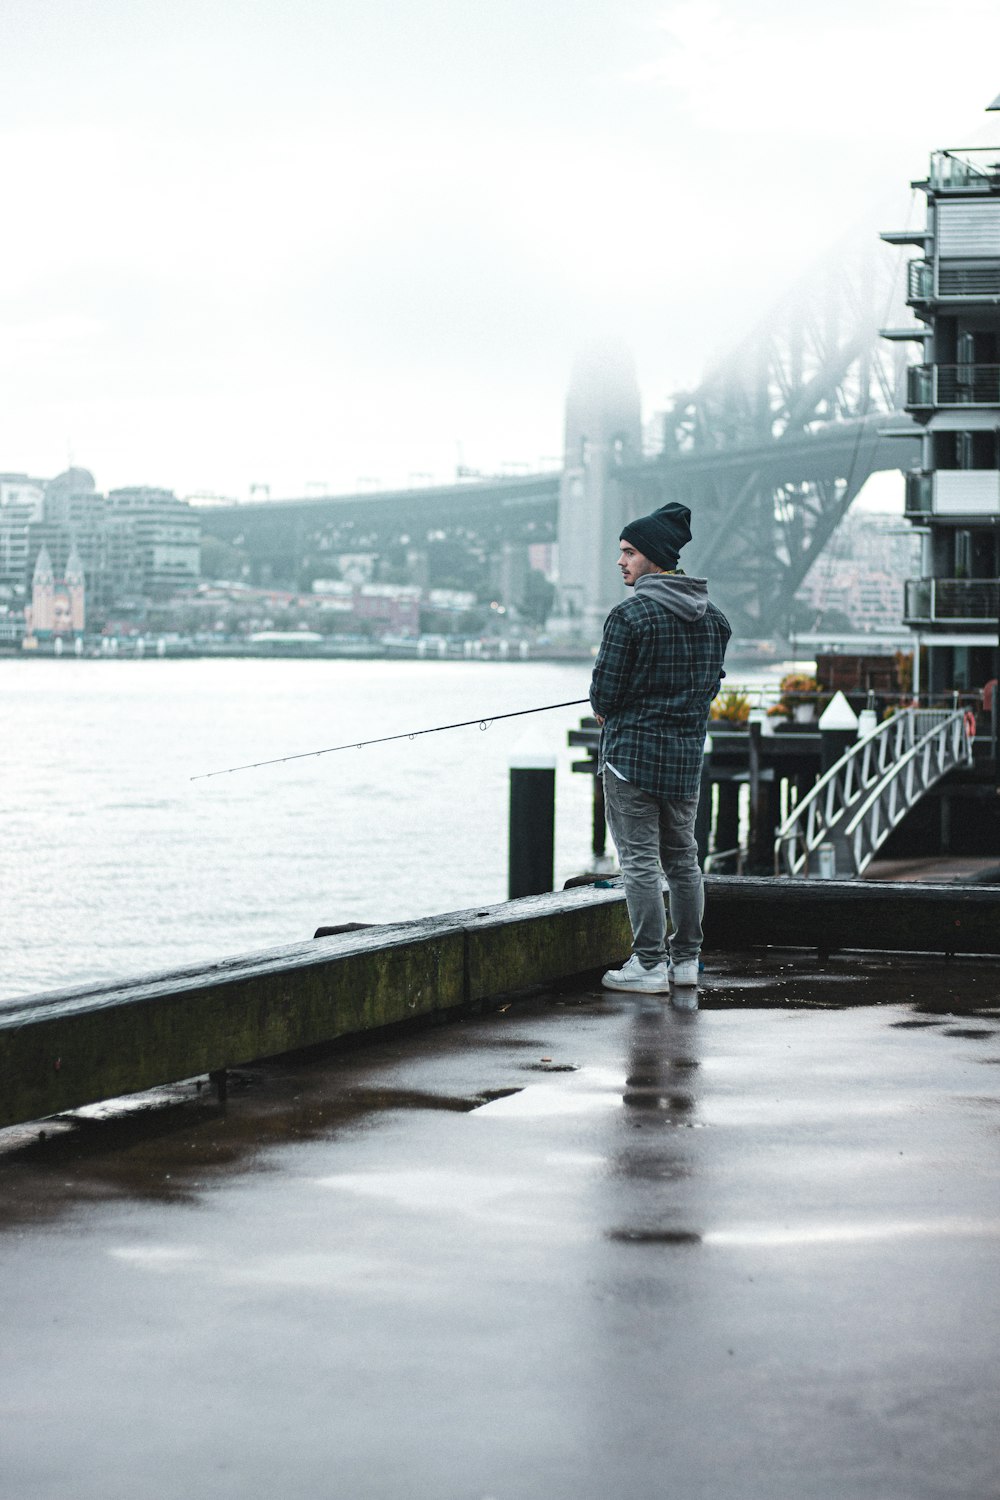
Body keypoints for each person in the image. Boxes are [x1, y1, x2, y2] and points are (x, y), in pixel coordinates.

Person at [589, 500, 730, 1003]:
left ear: (652, 556)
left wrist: (610, 709)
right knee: (684, 860)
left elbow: (604, 695)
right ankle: (686, 961)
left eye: (628, 552)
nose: (621, 561)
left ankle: (649, 963)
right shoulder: (715, 620)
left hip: (631, 760)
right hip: (685, 759)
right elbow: (708, 688)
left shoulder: (628, 616)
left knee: (641, 863)